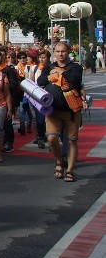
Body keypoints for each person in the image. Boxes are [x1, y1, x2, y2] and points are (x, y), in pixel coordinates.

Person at [38, 41, 86, 183]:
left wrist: (60, 71)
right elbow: (40, 81)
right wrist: (49, 75)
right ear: (54, 52)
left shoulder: (75, 67)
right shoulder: (49, 67)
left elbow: (75, 81)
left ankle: (70, 170)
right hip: (53, 110)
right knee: (52, 138)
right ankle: (59, 161)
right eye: (57, 51)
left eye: (63, 51)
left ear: (68, 52)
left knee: (72, 140)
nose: (60, 54)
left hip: (71, 110)